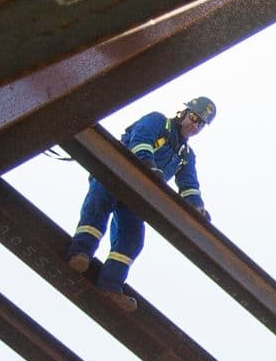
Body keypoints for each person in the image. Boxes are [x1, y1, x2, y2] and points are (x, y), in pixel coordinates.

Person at [71, 95, 216, 305]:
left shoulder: (186, 155)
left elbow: (189, 185)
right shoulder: (159, 121)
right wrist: (147, 165)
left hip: (137, 196)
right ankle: (80, 253)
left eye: (201, 123)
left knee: (132, 239)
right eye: (194, 117)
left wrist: (197, 208)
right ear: (184, 112)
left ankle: (110, 286)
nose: (195, 125)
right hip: (115, 173)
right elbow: (141, 139)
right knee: (97, 210)